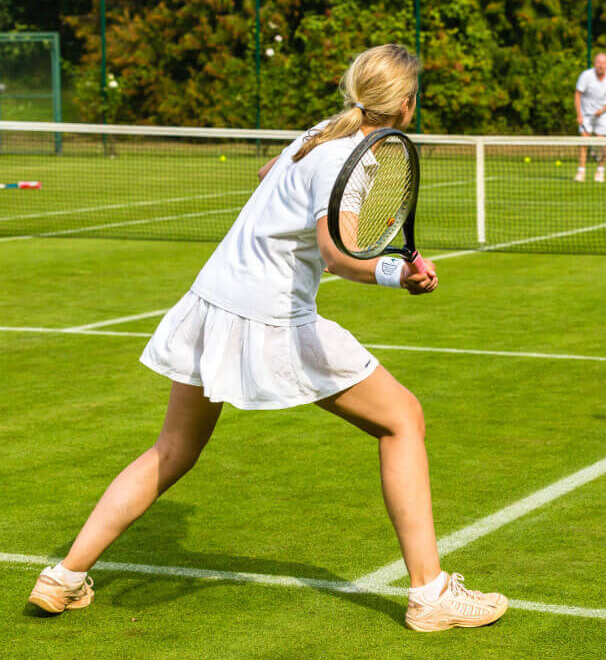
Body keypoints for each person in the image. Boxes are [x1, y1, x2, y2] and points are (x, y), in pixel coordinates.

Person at [26, 44, 508, 633]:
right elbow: (336, 251)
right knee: (402, 419)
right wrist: (394, 271)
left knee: (172, 451)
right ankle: (430, 594)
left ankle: (64, 577)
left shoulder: (318, 135)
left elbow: (268, 179)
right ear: (406, 105)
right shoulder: (348, 157)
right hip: (269, 316)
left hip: (212, 300)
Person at [574, 52, 606, 183]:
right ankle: (581, 172)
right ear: (594, 64)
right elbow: (577, 94)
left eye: (603, 63)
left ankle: (600, 172)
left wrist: (603, 110)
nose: (601, 65)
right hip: (586, 114)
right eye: (598, 62)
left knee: (602, 143)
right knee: (584, 142)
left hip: (603, 115)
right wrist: (579, 115)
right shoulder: (585, 76)